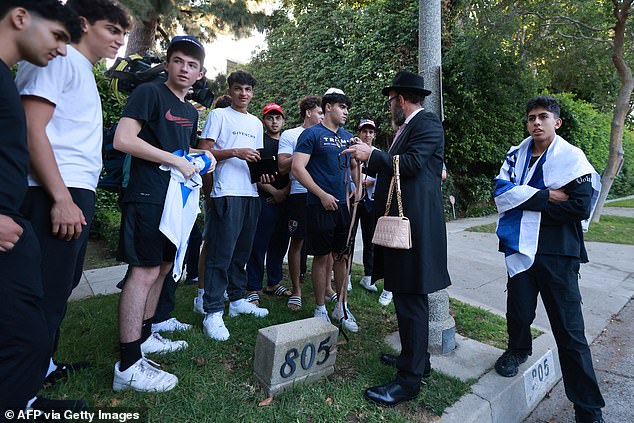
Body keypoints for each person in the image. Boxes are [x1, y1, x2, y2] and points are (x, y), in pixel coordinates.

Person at [15, 0, 129, 394]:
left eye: (123, 33)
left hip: (74, 189)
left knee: (60, 285)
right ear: (84, 23)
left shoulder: (78, 67)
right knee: (39, 290)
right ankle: (22, 389)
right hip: (50, 191)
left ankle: (42, 365)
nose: (119, 40)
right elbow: (32, 128)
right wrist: (62, 198)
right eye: (112, 29)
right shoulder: (57, 60)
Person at [492, 96, 604, 423]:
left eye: (543, 117)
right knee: (518, 311)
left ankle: (588, 410)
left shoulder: (572, 158)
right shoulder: (516, 155)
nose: (536, 123)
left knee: (570, 334)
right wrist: (545, 195)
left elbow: (580, 207)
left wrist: (525, 202)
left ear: (557, 122)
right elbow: (501, 194)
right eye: (531, 118)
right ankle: (517, 350)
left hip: (559, 254)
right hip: (519, 249)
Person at [113, 35, 214, 392]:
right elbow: (123, 139)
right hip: (147, 195)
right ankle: (127, 364)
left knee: (166, 267)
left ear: (200, 74)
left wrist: (201, 157)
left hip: (176, 201)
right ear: (168, 63)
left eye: (192, 65)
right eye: (179, 61)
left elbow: (175, 147)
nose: (185, 69)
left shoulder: (189, 110)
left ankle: (145, 336)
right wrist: (175, 159)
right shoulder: (149, 93)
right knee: (144, 270)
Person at [344, 70, 451, 406]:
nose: (391, 107)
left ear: (401, 100)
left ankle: (408, 382)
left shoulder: (427, 123)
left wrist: (371, 156)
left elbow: (414, 164)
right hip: (407, 225)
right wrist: (372, 157)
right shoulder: (408, 129)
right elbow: (397, 166)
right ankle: (416, 361)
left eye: (391, 101)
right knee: (406, 297)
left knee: (410, 301)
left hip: (416, 229)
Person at [0, 0, 82, 415]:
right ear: (20, 17)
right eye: (58, 36)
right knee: (25, 337)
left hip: (12, 227)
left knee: (29, 334)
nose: (62, 50)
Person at [200, 70, 272, 341]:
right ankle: (213, 311)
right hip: (225, 191)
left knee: (242, 251)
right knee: (221, 253)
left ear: (253, 93)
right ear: (230, 91)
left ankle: (237, 300)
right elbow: (203, 153)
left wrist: (263, 173)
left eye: (248, 90)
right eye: (239, 88)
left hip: (251, 193)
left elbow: (255, 160)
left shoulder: (255, 123)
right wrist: (234, 152)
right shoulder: (218, 115)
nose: (244, 93)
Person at [292, 88, 360, 332]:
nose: (346, 112)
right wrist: (321, 195)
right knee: (322, 256)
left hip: (344, 206)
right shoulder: (312, 134)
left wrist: (358, 186)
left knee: (342, 256)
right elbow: (298, 168)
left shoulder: (348, 136)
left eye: (347, 108)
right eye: (342, 107)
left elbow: (354, 165)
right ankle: (320, 308)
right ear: (328, 107)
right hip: (319, 205)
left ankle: (341, 306)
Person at [278, 95, 325, 311]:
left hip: (323, 194)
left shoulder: (327, 134)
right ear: (308, 112)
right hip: (298, 194)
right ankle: (296, 290)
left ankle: (327, 290)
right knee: (297, 241)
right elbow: (282, 167)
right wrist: (302, 152)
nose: (323, 116)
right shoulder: (290, 134)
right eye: (320, 112)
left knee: (326, 244)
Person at [245, 103, 292, 306]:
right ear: (264, 121)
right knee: (258, 244)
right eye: (270, 118)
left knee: (280, 243)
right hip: (265, 199)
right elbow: (255, 174)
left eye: (278, 118)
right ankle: (253, 286)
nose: (274, 122)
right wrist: (274, 192)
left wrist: (284, 193)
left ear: (283, 120)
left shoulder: (289, 142)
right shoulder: (260, 143)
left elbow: (297, 170)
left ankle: (274, 282)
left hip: (285, 200)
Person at [193, 94, 232, 315]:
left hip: (227, 196)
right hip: (215, 196)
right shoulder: (214, 136)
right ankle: (201, 293)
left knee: (223, 244)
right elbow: (207, 170)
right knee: (210, 242)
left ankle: (216, 287)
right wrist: (209, 197)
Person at [350, 119, 380, 294]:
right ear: (359, 133)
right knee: (350, 237)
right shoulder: (352, 149)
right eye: (364, 131)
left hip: (370, 199)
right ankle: (345, 275)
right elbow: (348, 170)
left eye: (370, 132)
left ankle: (368, 276)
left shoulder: (377, 154)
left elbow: (382, 176)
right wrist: (360, 182)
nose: (367, 135)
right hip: (354, 197)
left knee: (371, 239)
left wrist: (370, 182)